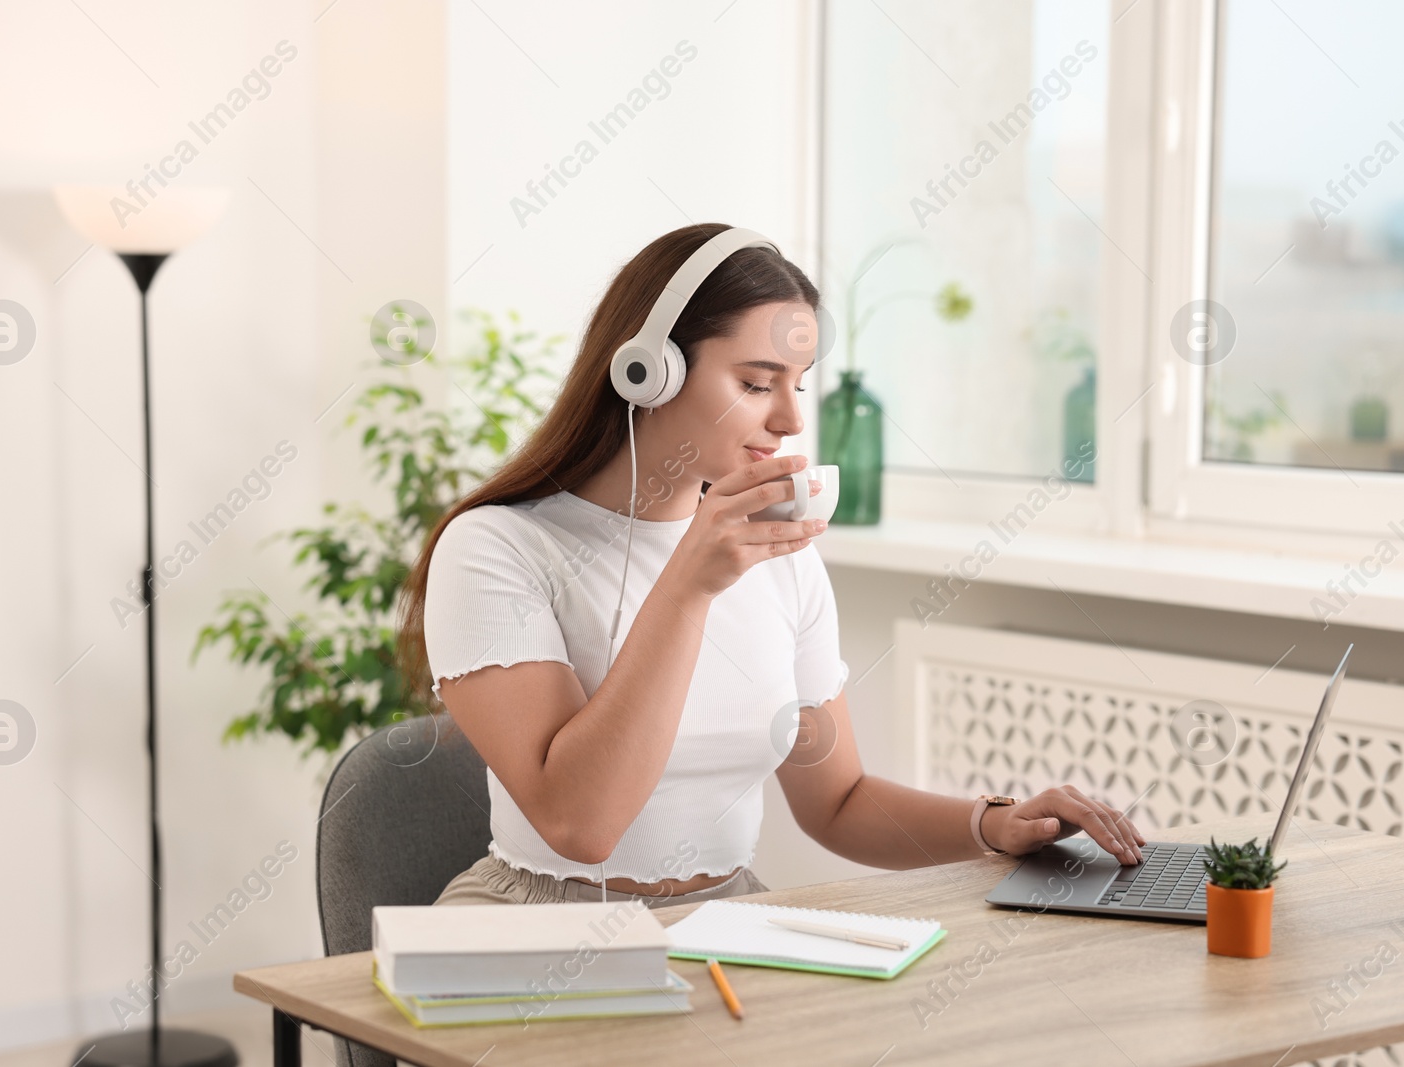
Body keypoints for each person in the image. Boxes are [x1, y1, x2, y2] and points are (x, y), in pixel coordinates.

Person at [391, 222, 1146, 913]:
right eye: (755, 384)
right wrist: (689, 585)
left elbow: (839, 801)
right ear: (646, 373)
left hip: (729, 914)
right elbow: (579, 824)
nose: (789, 420)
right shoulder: (497, 548)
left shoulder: (780, 555)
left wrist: (995, 824)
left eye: (798, 384)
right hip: (539, 919)